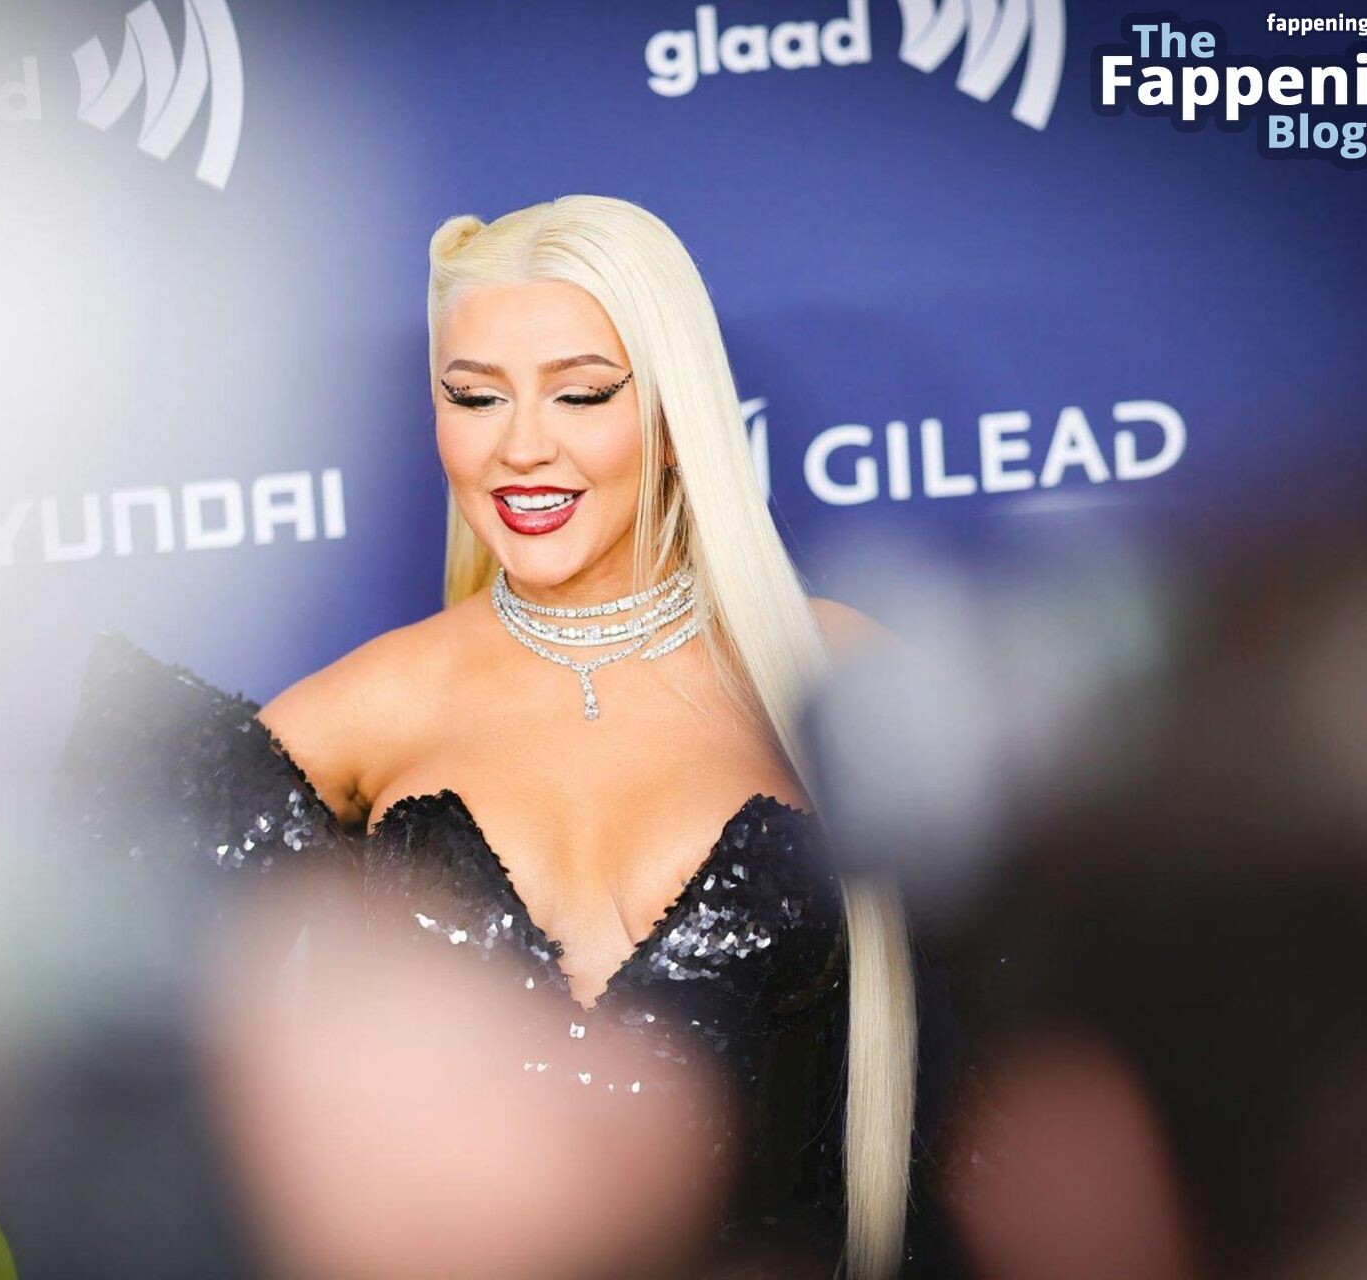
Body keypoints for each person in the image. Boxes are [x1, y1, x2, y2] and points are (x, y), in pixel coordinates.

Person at [46, 195, 950, 1279]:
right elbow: (91, 1032)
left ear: (676, 412)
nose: (522, 446)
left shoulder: (831, 677)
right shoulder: (375, 705)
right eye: (475, 396)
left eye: (581, 393)